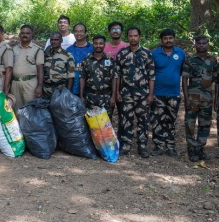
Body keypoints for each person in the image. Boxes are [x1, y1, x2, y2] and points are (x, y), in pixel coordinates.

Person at [113, 26, 155, 157]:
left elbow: (151, 75)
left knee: (143, 120)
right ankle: (126, 145)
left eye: (135, 36)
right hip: (126, 93)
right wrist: (118, 92)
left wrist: (151, 94)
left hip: (142, 94)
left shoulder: (147, 53)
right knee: (126, 120)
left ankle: (142, 146)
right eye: (130, 36)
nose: (133, 38)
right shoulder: (122, 53)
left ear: (139, 37)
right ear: (128, 37)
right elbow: (117, 74)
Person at [181, 35, 218, 162]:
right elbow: (185, 79)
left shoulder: (213, 59)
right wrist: (186, 98)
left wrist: (208, 85)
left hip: (207, 98)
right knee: (190, 124)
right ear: (195, 44)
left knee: (205, 124)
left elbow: (215, 77)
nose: (201, 45)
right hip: (192, 98)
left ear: (208, 44)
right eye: (199, 43)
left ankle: (201, 149)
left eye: (204, 43)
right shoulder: (190, 59)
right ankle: (192, 150)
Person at [150, 29, 186, 157]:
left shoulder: (180, 53)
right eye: (165, 38)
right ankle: (158, 146)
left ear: (174, 39)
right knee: (157, 120)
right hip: (157, 93)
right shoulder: (154, 54)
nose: (168, 40)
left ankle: (170, 146)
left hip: (174, 93)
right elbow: (150, 74)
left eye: (170, 38)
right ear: (161, 40)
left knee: (171, 120)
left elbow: (182, 72)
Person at [11, 25, 44, 108]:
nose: (25, 35)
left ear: (32, 35)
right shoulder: (14, 49)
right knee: (17, 109)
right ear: (19, 35)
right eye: (22, 33)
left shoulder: (37, 50)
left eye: (27, 33)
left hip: (30, 84)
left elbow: (40, 69)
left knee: (30, 109)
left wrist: (40, 86)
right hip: (15, 84)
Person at [80, 35, 114, 111]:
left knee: (106, 122)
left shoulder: (110, 60)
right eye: (96, 43)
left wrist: (113, 96)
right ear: (93, 45)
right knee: (91, 122)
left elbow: (114, 78)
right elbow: (82, 78)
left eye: (101, 43)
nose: (98, 45)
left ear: (104, 45)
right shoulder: (87, 60)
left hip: (106, 97)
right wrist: (81, 95)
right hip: (90, 97)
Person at [43, 32, 75, 99]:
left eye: (56, 40)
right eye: (51, 40)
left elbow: (70, 76)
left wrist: (67, 92)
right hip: (46, 90)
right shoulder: (45, 54)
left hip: (60, 90)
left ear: (61, 40)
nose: (53, 42)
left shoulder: (67, 55)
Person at [68, 23, 93, 94]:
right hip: (73, 88)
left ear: (85, 33)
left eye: (81, 31)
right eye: (76, 31)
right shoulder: (69, 50)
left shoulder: (92, 48)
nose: (78, 33)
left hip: (90, 88)